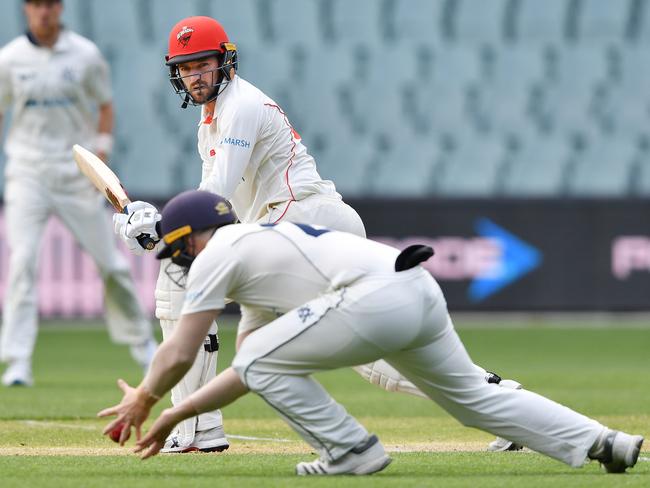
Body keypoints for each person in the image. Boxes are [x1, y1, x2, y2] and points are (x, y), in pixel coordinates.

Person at [115, 14, 523, 453]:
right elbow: (209, 206)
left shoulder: (241, 106)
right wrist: (156, 227)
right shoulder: (211, 119)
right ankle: (503, 404)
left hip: (304, 222)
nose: (194, 76)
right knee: (364, 353)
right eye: (186, 67)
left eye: (202, 64)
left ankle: (198, 429)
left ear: (225, 61)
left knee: (186, 285)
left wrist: (159, 227)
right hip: (296, 226)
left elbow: (216, 197)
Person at [99, 190, 644, 476]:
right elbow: (249, 373)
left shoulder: (221, 251)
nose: (180, 262)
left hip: (377, 299)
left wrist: (147, 398)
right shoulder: (257, 256)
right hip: (416, 288)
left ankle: (350, 450)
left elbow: (180, 349)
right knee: (475, 402)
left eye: (178, 250)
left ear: (194, 237)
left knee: (263, 359)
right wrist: (174, 414)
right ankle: (605, 442)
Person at [0, 0, 157, 386]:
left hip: (75, 175)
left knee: (112, 265)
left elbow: (104, 104)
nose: (44, 12)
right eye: (36, 5)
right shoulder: (9, 59)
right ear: (26, 9)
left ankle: (145, 347)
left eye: (50, 4)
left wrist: (100, 150)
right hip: (27, 173)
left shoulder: (85, 54)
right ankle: (18, 361)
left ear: (60, 8)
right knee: (21, 264)